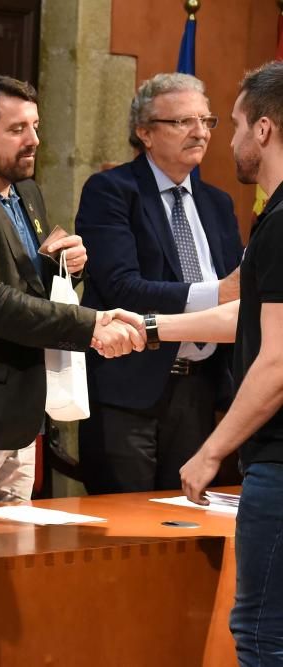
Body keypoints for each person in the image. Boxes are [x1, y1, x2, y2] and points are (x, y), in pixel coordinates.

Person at [0, 74, 143, 506]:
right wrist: (90, 323)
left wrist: (64, 266)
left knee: (14, 551)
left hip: (24, 416)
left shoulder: (27, 191)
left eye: (35, 126)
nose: (34, 139)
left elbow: (24, 283)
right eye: (17, 129)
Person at [149, 61, 283, 667]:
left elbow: (277, 363)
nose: (222, 139)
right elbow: (249, 318)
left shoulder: (281, 224)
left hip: (278, 465)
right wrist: (151, 327)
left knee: (260, 636)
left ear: (263, 129)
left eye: (230, 124)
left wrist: (209, 452)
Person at [75, 73, 243, 495]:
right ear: (144, 133)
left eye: (207, 121)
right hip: (128, 387)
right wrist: (217, 294)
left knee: (183, 525)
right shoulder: (112, 191)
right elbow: (122, 287)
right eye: (182, 122)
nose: (200, 132)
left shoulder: (218, 203)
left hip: (200, 388)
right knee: (122, 526)